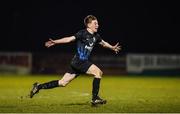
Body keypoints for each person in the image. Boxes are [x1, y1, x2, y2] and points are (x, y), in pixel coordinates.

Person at [29, 15, 121, 105]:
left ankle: (38, 87)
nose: (97, 25)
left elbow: (103, 43)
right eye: (95, 23)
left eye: (97, 23)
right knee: (98, 72)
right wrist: (55, 42)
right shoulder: (82, 33)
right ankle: (95, 98)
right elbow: (69, 39)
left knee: (62, 83)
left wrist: (112, 47)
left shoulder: (96, 36)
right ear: (89, 25)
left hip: (77, 63)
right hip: (80, 62)